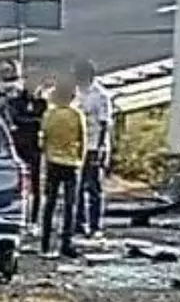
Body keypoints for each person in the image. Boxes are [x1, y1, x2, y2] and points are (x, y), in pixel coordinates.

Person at [39, 75, 87, 258]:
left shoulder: (49, 114)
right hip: (72, 163)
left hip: (52, 161)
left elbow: (43, 138)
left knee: (49, 203)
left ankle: (45, 242)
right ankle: (66, 243)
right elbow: (82, 140)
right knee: (70, 204)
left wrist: (47, 155)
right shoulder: (77, 115)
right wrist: (80, 160)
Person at [72, 58, 113, 240]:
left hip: (93, 145)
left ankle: (96, 225)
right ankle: (79, 223)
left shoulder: (100, 95)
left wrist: (101, 148)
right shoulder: (75, 92)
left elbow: (105, 123)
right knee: (77, 187)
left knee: (93, 187)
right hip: (76, 146)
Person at [6, 75, 48, 231]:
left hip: (35, 147)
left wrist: (30, 120)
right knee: (18, 184)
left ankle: (34, 220)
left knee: (37, 186)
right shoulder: (16, 102)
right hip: (19, 146)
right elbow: (16, 118)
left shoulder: (43, 103)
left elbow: (44, 120)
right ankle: (18, 217)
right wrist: (34, 121)